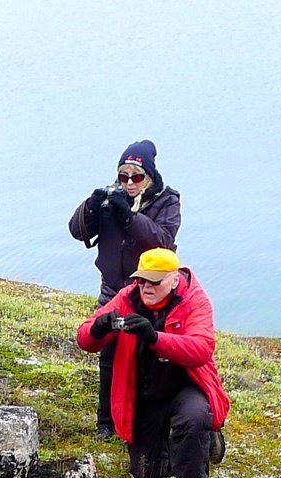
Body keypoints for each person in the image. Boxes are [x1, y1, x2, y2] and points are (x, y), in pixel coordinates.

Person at [75, 248, 229, 478]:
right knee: (146, 474)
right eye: (141, 280)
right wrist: (98, 328)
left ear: (173, 279)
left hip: (187, 384)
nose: (146, 287)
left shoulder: (194, 299)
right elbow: (85, 338)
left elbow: (202, 348)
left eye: (154, 281)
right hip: (147, 390)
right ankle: (189, 443)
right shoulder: (127, 297)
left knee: (192, 419)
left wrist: (155, 337)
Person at [69, 140, 181, 438]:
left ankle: (145, 421)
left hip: (149, 292)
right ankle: (106, 423)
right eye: (123, 176)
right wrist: (91, 207)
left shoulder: (167, 201)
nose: (129, 183)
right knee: (109, 352)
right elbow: (77, 231)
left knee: (148, 353)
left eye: (136, 177)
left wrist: (131, 218)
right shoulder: (110, 198)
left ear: (150, 176)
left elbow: (164, 241)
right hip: (112, 292)